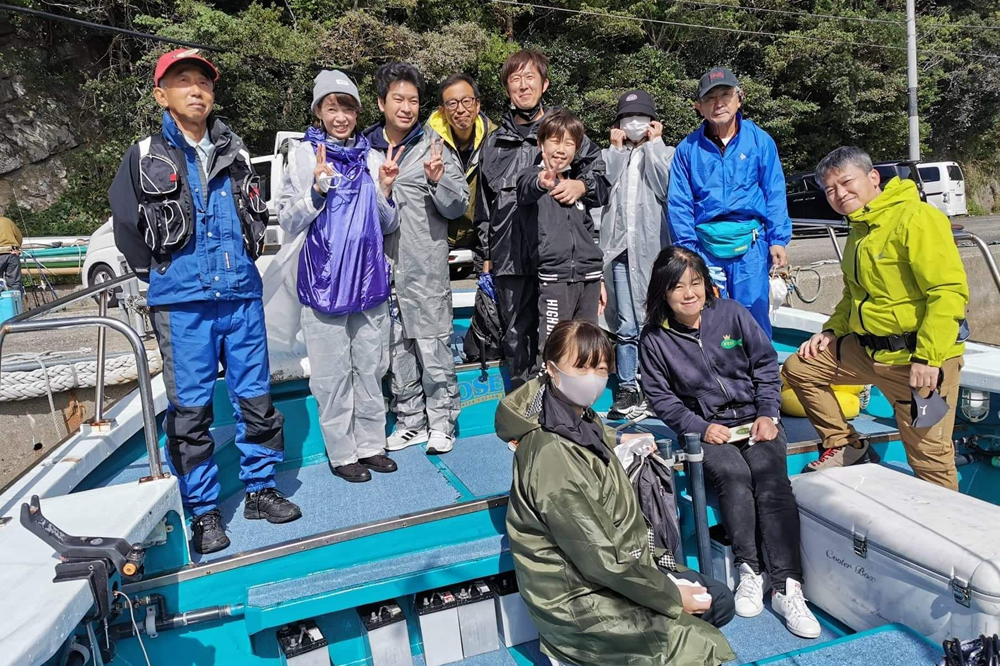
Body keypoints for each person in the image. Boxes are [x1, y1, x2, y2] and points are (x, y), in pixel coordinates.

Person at [109, 49, 301, 555]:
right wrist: (163, 274)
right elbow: (127, 225)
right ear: (161, 95)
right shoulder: (144, 154)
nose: (196, 90)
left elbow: (254, 217)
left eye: (204, 82)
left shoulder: (236, 152)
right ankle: (204, 510)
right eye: (183, 81)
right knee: (190, 411)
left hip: (241, 296)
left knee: (256, 399)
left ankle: (260, 488)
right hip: (183, 305)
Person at [502, 319, 736, 666]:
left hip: (615, 567)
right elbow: (597, 556)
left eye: (600, 369)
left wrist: (620, 437)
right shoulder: (550, 455)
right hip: (576, 596)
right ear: (551, 369)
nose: (592, 378)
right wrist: (671, 595)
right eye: (580, 367)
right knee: (699, 642)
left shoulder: (575, 416)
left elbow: (594, 436)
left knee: (719, 599)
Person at [639, 246, 821, 639]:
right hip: (707, 429)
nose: (689, 293)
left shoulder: (732, 314)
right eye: (678, 287)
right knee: (734, 476)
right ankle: (750, 569)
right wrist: (700, 427)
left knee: (771, 479)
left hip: (756, 419)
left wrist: (768, 413)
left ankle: (787, 586)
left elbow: (765, 365)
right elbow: (661, 397)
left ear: (706, 283)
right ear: (663, 292)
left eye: (695, 283)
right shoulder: (654, 338)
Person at [782, 146, 969, 489]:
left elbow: (947, 293)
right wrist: (832, 331)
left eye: (846, 182)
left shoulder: (916, 218)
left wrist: (928, 357)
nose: (839, 194)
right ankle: (846, 445)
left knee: (929, 460)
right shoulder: (860, 227)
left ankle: (945, 520)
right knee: (801, 368)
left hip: (916, 359)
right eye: (830, 189)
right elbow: (854, 294)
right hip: (868, 351)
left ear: (873, 177)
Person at [277, 70, 400, 483]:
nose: (341, 116)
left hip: (368, 280)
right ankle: (343, 453)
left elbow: (388, 223)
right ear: (318, 112)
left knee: (371, 367)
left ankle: (371, 445)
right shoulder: (303, 155)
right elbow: (287, 220)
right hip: (323, 282)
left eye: (347, 107)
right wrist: (316, 190)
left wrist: (385, 190)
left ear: (358, 112)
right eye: (332, 108)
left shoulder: (372, 157)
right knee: (331, 376)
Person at [476, 49, 608, 390]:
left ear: (544, 84)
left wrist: (581, 185)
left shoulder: (563, 130)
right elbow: (484, 207)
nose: (523, 86)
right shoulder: (493, 142)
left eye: (530, 77)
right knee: (517, 336)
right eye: (515, 79)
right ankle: (528, 407)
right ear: (507, 88)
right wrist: (485, 258)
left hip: (561, 261)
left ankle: (568, 401)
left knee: (566, 337)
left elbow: (601, 181)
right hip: (511, 257)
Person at [362, 63, 469, 455]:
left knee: (433, 348)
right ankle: (410, 422)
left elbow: (458, 206)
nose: (406, 108)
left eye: (413, 100)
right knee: (396, 352)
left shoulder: (433, 146)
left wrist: (438, 180)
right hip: (380, 270)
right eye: (398, 99)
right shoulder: (364, 150)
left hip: (424, 268)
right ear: (381, 103)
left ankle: (442, 422)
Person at [667, 67, 791, 338]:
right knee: (710, 317)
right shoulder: (687, 149)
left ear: (739, 98)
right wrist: (689, 252)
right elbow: (679, 204)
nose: (719, 103)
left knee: (753, 316)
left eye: (725, 95)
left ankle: (761, 366)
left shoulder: (760, 141)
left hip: (751, 245)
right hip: (704, 247)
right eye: (710, 98)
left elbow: (774, 191)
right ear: (699, 107)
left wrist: (778, 239)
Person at [599, 90, 675, 421]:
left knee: (655, 320)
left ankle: (657, 387)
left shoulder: (667, 152)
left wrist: (655, 145)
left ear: (653, 122)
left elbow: (666, 187)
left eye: (641, 117)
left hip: (653, 253)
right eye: (627, 118)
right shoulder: (608, 154)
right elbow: (602, 188)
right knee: (626, 324)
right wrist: (616, 150)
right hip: (618, 251)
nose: (633, 123)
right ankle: (628, 387)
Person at [515, 109, 608, 356]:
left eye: (569, 143)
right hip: (555, 280)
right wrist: (541, 181)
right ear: (540, 143)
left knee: (587, 348)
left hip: (589, 279)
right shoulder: (530, 176)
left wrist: (599, 279)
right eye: (555, 141)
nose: (561, 149)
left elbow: (588, 232)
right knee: (555, 350)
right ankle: (548, 383)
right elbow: (525, 188)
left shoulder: (577, 185)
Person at [426, 73, 496, 272]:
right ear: (442, 110)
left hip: (483, 243)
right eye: (452, 103)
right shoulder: (425, 143)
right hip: (437, 241)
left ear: (477, 104)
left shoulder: (496, 141)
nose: (461, 109)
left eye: (467, 101)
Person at [0, 215, 23, 293]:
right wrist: (17, 248)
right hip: (11, 252)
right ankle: (15, 299)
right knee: (15, 282)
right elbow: (19, 236)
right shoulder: (8, 221)